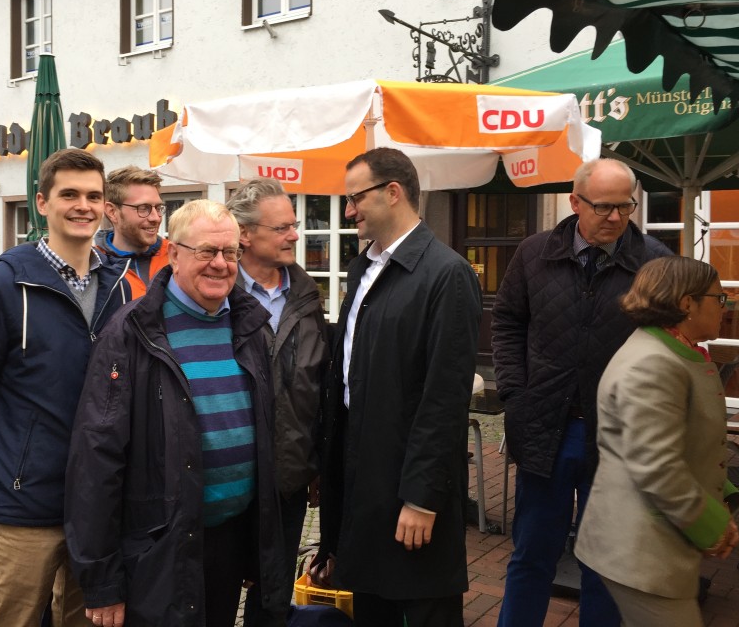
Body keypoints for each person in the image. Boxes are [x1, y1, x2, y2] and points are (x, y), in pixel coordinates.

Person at [0, 149, 131, 627]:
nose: (82, 205)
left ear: (106, 206)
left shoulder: (120, 286)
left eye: (92, 196)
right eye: (69, 194)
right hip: (21, 507)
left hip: (97, 508)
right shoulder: (0, 286)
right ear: (42, 203)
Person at [65, 199, 283, 627]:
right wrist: (103, 581)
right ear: (175, 253)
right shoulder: (132, 333)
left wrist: (261, 554)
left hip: (229, 538)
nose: (220, 264)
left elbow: (264, 437)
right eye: (206, 251)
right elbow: (96, 458)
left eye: (230, 253)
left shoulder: (250, 325)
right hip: (159, 544)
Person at [492, 158, 671, 627]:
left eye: (625, 207)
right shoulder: (534, 253)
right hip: (545, 426)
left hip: (618, 436)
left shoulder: (655, 261)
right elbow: (508, 322)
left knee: (606, 563)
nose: (615, 217)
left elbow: (673, 342)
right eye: (604, 207)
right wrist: (515, 393)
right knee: (532, 553)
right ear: (575, 202)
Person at [312, 148, 482, 627]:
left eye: (355, 198)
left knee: (424, 608)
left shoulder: (446, 275)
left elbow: (444, 398)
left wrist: (422, 498)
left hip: (408, 479)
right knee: (371, 602)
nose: (348, 211)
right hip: (363, 468)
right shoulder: (364, 268)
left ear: (393, 192)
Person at [574, 256, 739, 627]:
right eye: (719, 297)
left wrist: (721, 496)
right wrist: (711, 524)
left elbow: (687, 444)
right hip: (641, 550)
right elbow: (657, 467)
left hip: (651, 546)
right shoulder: (653, 362)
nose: (724, 306)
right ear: (687, 304)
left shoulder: (670, 352)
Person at [226, 178, 331, 626]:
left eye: (295, 225)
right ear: (244, 234)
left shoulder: (307, 298)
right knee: (216, 591)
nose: (295, 235)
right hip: (227, 481)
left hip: (287, 478)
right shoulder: (215, 292)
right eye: (282, 228)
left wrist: (316, 463)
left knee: (272, 600)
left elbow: (319, 386)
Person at [97, 166, 171, 294]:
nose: (156, 218)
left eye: (158, 208)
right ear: (112, 212)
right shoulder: (93, 266)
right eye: (143, 208)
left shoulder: (175, 256)